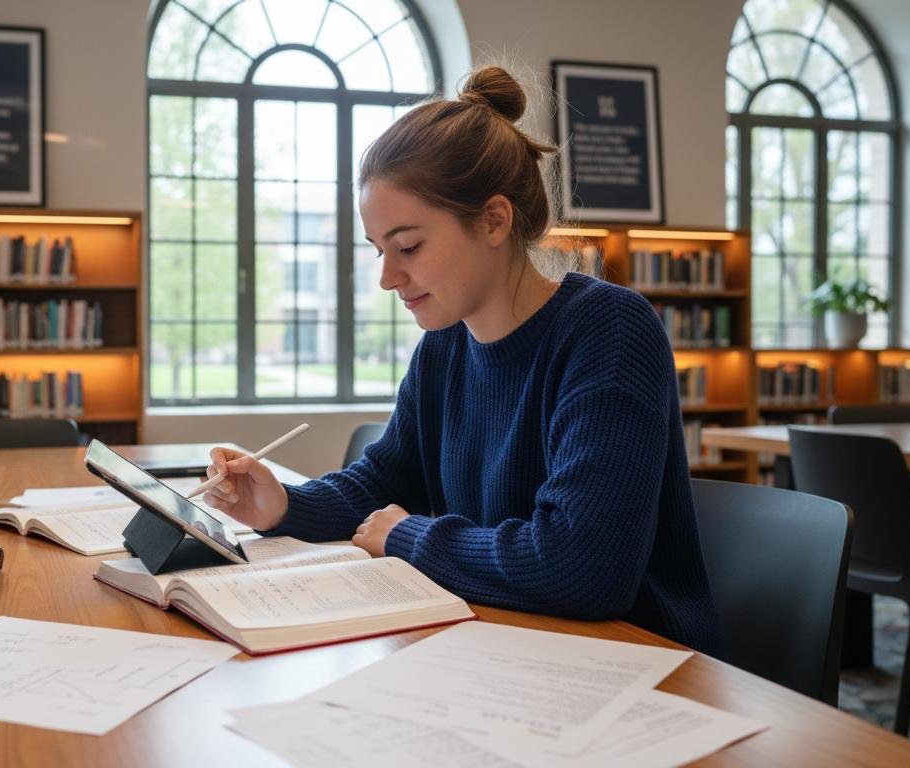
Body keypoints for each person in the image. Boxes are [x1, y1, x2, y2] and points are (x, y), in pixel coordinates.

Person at [203, 66, 720, 654]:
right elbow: (386, 482)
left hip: (634, 665)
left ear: (494, 220)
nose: (387, 277)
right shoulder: (445, 345)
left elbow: (582, 567)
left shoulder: (609, 331)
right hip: (503, 644)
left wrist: (409, 539)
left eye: (409, 247)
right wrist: (286, 504)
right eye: (379, 251)